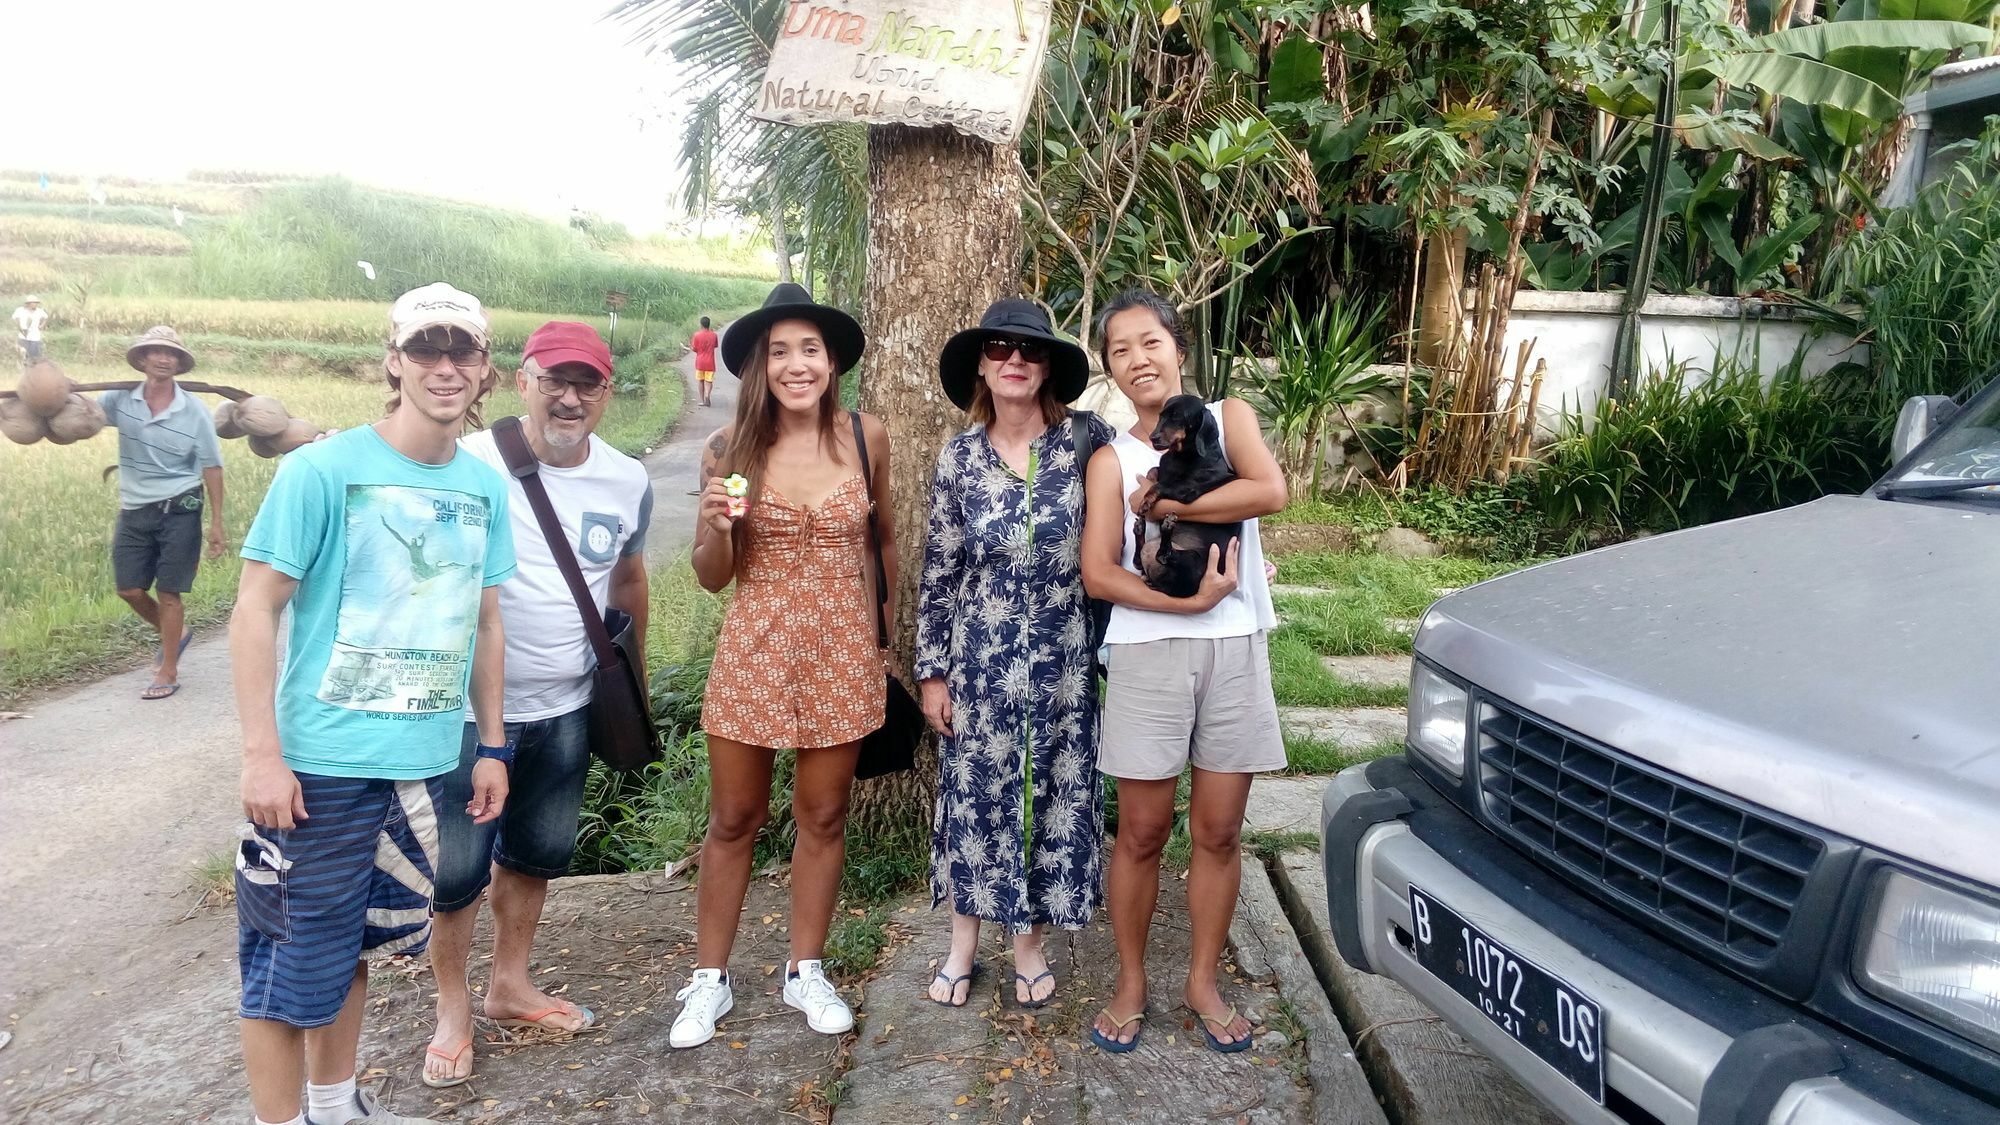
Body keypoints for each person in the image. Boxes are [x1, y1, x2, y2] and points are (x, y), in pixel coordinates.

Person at [229, 282, 516, 1125]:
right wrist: (261, 754)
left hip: (422, 764)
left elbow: (485, 620)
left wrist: (491, 744)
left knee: (350, 947)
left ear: (485, 367)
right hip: (319, 768)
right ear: (393, 361)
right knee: (284, 968)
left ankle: (334, 1104)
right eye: (425, 347)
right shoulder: (322, 469)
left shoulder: (482, 487)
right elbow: (254, 608)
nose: (444, 365)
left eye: (462, 349)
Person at [420, 322, 652, 1087]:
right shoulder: (466, 462)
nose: (570, 396)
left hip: (567, 704)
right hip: (461, 715)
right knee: (455, 872)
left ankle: (509, 984)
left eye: (587, 383)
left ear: (607, 393)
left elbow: (628, 579)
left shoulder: (626, 480)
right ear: (522, 379)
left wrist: (633, 681)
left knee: (535, 853)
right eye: (556, 378)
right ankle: (452, 1007)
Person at [670, 282, 889, 1049]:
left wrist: (880, 638)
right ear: (759, 367)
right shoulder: (731, 451)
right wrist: (713, 528)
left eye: (811, 349)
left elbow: (880, 543)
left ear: (832, 362)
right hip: (755, 641)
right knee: (734, 817)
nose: (798, 365)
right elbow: (711, 573)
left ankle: (806, 968)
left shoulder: (866, 438)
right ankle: (709, 980)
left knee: (824, 815)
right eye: (780, 351)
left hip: (840, 649)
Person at [1078, 288, 1288, 1055]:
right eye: (1121, 350)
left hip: (1237, 646)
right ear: (1110, 369)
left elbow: (1269, 490)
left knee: (1220, 829)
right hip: (1146, 647)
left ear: (1178, 347)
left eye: (1150, 342)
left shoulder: (1230, 418)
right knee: (1140, 830)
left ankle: (1202, 980)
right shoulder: (1112, 458)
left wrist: (1163, 509)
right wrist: (1186, 604)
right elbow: (1100, 573)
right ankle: (1131, 981)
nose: (1139, 359)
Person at [915, 299, 1112, 1009]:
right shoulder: (959, 458)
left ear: (1049, 366)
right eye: (999, 348)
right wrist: (932, 673)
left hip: (1064, 665)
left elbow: (1146, 508)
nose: (1015, 360)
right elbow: (938, 570)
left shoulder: (1088, 446)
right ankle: (962, 941)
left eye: (1029, 350)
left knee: (1049, 795)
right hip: (979, 665)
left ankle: (1027, 941)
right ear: (981, 364)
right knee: (974, 799)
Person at [101, 325, 226, 701]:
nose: (163, 358)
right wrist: (49, 396)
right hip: (135, 508)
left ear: (179, 363)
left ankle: (168, 669)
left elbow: (212, 467)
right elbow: (77, 415)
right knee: (129, 589)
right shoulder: (120, 400)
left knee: (169, 592)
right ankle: (178, 633)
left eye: (171, 354)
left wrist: (216, 523)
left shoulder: (193, 411)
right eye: (155, 352)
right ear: (141, 359)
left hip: (181, 507)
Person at [691, 315, 719, 407]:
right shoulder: (714, 335)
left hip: (700, 362)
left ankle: (702, 400)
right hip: (710, 362)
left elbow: (695, 349)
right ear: (709, 325)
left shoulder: (696, 335)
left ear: (701, 325)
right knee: (709, 381)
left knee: (700, 381)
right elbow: (715, 346)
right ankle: (707, 396)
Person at [12, 293, 47, 363]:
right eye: (34, 303)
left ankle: (34, 367)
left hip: (35, 336)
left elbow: (45, 318)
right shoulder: (20, 310)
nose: (36, 304)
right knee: (23, 353)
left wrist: (41, 325)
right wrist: (19, 327)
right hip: (23, 335)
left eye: (36, 303)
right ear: (28, 304)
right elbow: (15, 318)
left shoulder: (39, 311)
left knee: (35, 354)